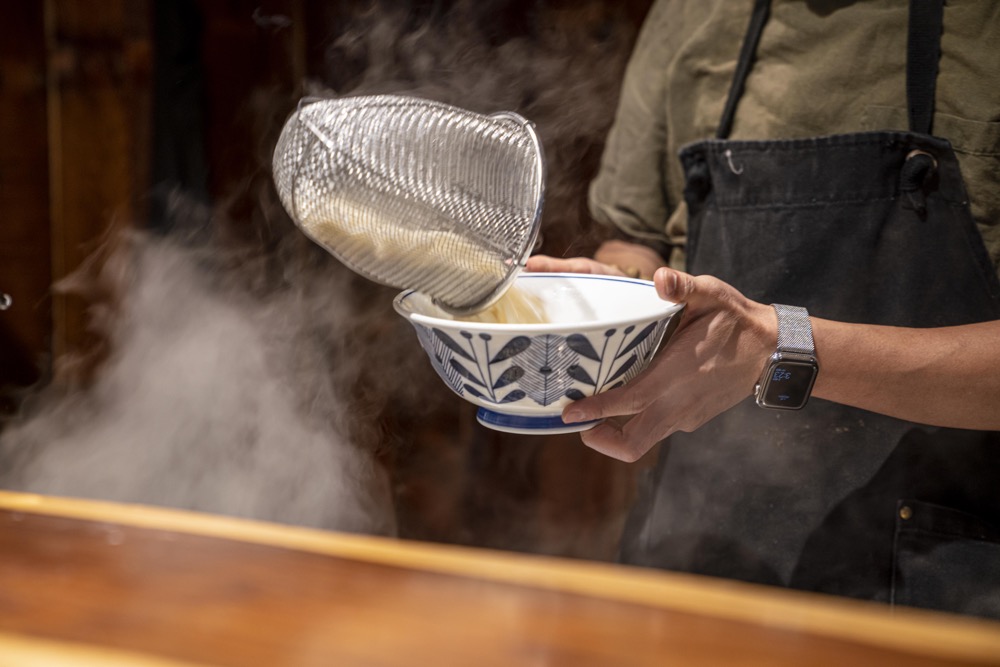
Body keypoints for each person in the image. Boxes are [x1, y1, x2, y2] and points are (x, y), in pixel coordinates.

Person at [526, 0, 1000, 620]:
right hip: (695, 561)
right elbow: (637, 239)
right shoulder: (690, 15)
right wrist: (620, 298)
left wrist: (783, 347)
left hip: (928, 581)